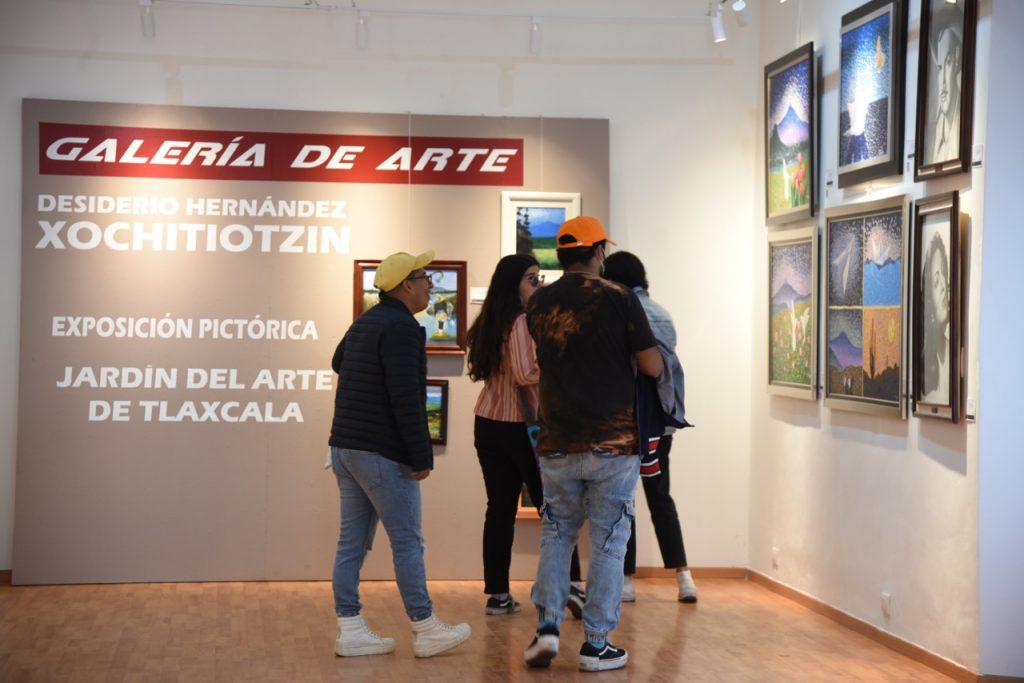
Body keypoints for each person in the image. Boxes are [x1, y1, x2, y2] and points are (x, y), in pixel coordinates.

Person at [522, 216, 663, 673]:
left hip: (557, 440)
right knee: (607, 538)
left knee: (556, 531)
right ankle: (597, 644)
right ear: (598, 251)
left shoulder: (539, 303)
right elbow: (652, 366)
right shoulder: (620, 298)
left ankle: (547, 626)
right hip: (612, 442)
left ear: (562, 255)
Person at [328, 250, 471, 659]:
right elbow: (406, 397)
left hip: (344, 447)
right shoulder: (404, 328)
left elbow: (338, 362)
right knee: (407, 541)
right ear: (407, 285)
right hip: (380, 452)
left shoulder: (366, 321)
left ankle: (350, 628)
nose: (431, 285)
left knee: (351, 544)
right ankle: (425, 627)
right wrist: (421, 455)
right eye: (426, 278)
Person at [466, 254, 586, 618]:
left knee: (500, 509)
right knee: (556, 507)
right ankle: (572, 587)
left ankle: (498, 595)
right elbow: (524, 372)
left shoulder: (490, 321)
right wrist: (563, 364)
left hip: (489, 421)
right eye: (532, 279)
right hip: (523, 426)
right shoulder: (520, 321)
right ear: (514, 285)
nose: (540, 284)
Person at [602, 251, 697, 605]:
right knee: (660, 497)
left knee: (624, 499)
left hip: (628, 420)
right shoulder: (663, 314)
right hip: (661, 422)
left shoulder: (621, 312)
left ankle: (626, 580)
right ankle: (684, 577)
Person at [926, 5, 963, 165]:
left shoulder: (963, 126)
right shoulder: (932, 133)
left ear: (956, 59)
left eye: (948, 62)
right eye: (939, 68)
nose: (943, 83)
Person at [921, 233, 950, 404]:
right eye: (937, 282)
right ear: (929, 300)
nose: (944, 286)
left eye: (944, 274)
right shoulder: (927, 364)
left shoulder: (952, 355)